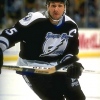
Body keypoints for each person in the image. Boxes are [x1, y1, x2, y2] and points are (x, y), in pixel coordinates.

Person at [0, 0, 86, 100]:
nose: (56, 9)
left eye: (60, 6)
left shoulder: (71, 26)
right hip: (32, 68)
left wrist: (72, 65)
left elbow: (70, 52)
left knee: (78, 97)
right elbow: (10, 34)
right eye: (53, 5)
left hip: (57, 66)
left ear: (65, 7)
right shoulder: (34, 20)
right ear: (47, 6)